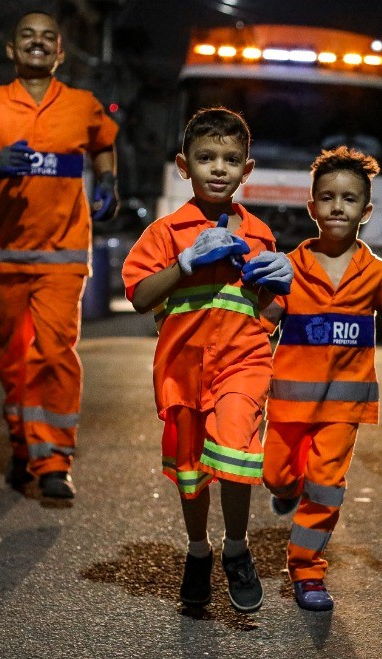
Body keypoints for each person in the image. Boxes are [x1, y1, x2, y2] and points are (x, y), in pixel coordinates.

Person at [121, 107, 293, 613]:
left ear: (248, 169)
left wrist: (279, 287)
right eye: (206, 158)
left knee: (238, 453)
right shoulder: (166, 232)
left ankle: (236, 549)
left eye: (231, 159)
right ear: (183, 165)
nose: (219, 168)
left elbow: (273, 311)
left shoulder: (260, 235)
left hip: (245, 361)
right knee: (191, 471)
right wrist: (184, 262)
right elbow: (138, 295)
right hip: (183, 371)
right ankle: (199, 552)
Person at [0, 11, 119, 499]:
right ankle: (23, 444)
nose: (38, 43)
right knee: (12, 357)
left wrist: (108, 182)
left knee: (55, 353)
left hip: (63, 255)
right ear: (11, 49)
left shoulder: (83, 105)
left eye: (48, 38)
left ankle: (54, 462)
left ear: (60, 52)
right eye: (28, 36)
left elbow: (104, 143)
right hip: (5, 252)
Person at [260, 147, 382, 611]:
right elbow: (261, 326)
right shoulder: (289, 269)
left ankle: (307, 572)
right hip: (288, 405)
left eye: (350, 199)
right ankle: (286, 489)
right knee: (276, 476)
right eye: (328, 197)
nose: (338, 206)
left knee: (327, 487)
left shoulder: (377, 276)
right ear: (311, 206)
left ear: (367, 212)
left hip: (343, 409)